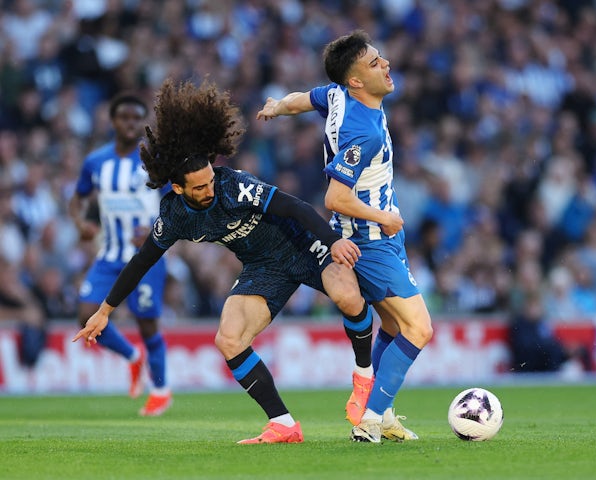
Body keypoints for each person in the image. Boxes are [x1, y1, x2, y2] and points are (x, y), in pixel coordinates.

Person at [73, 78, 373, 444]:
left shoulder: (234, 186)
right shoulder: (174, 216)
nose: (209, 190)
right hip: (263, 268)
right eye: (199, 187)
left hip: (305, 246)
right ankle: (283, 424)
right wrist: (104, 311)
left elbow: (295, 207)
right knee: (228, 339)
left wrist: (332, 241)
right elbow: (141, 262)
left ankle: (363, 375)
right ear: (178, 188)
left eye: (210, 180)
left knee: (347, 296)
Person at [257, 30, 434, 443]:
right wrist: (384, 218)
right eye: (374, 64)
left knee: (391, 323)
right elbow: (335, 197)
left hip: (379, 235)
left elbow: (307, 97)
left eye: (381, 58)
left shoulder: (337, 95)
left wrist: (278, 107)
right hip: (370, 239)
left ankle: (380, 412)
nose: (386, 65)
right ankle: (370, 419)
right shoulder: (363, 131)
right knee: (419, 328)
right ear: (355, 80)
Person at [69, 92, 171, 416]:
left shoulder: (154, 161)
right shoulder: (96, 161)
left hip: (145, 257)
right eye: (124, 117)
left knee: (147, 325)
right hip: (109, 254)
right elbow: (77, 199)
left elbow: (177, 205)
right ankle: (132, 357)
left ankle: (160, 391)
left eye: (136, 117)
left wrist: (156, 227)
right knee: (86, 314)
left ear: (142, 123)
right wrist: (80, 222)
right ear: (113, 121)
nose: (130, 123)